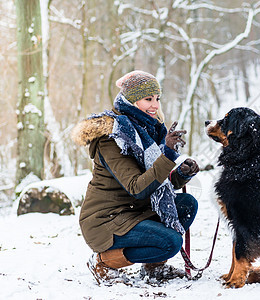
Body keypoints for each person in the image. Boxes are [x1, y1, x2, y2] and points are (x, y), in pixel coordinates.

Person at [71, 70, 199, 284]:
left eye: (157, 98)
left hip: (134, 211)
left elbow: (154, 183)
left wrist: (180, 174)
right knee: (170, 242)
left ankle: (153, 268)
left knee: (186, 204)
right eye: (148, 99)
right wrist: (167, 154)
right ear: (131, 100)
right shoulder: (112, 137)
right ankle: (103, 262)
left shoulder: (148, 130)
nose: (155, 105)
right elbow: (138, 187)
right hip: (106, 220)